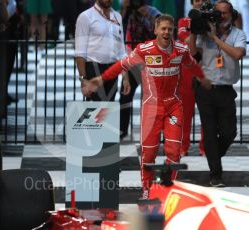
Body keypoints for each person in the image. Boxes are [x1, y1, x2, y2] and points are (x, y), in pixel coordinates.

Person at [83, 14, 211, 199]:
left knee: (174, 152)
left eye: (170, 29)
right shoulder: (144, 50)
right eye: (163, 29)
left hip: (174, 106)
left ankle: (168, 189)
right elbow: (121, 65)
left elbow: (192, 64)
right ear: (156, 30)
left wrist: (202, 77)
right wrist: (101, 79)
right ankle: (146, 189)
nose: (166, 32)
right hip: (151, 108)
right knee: (149, 153)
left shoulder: (181, 50)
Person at [189, 0, 246, 187]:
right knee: (211, 132)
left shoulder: (238, 34)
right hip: (205, 89)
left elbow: (237, 54)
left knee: (230, 132)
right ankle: (216, 174)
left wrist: (215, 38)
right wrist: (193, 32)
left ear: (232, 15)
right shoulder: (204, 33)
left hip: (226, 90)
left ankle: (213, 156)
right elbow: (192, 53)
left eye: (225, 13)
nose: (221, 16)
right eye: (218, 13)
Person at [119, 0, 161, 140]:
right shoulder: (126, 13)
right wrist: (124, 9)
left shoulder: (153, 12)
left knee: (150, 98)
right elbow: (119, 29)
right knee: (125, 95)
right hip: (132, 60)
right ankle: (121, 129)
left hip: (150, 61)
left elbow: (162, 32)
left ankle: (150, 131)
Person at [75, 0, 128, 102]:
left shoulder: (117, 17)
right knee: (97, 110)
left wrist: (126, 78)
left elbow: (121, 51)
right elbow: (80, 52)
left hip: (112, 70)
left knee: (108, 110)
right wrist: (83, 79)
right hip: (94, 69)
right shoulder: (85, 17)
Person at [177, 0, 206, 156]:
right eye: (197, 0)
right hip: (187, 71)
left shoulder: (211, 21)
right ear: (192, 2)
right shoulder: (183, 21)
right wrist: (195, 26)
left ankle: (205, 147)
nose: (200, 2)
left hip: (206, 70)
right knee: (185, 113)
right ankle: (183, 147)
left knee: (206, 112)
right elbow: (185, 41)